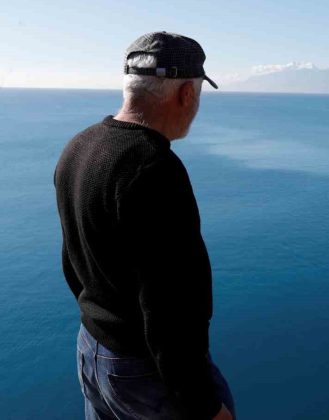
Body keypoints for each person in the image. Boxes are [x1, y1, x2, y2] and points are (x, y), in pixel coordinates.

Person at [54, 32, 234, 420]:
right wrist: (203, 404)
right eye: (198, 93)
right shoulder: (153, 169)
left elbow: (73, 261)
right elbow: (171, 308)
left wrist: (102, 325)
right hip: (143, 369)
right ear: (186, 93)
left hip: (94, 350)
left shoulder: (79, 147)